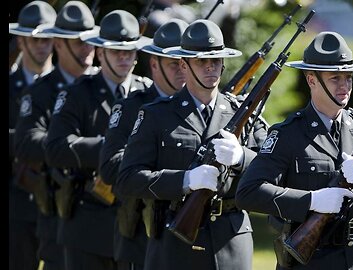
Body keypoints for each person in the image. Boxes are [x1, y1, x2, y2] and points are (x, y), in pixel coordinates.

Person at [235, 31, 353, 270]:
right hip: (310, 261)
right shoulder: (288, 134)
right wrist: (311, 200)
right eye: (335, 78)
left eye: (349, 78)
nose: (344, 86)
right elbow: (249, 192)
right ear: (312, 80)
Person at [115, 19, 268, 270]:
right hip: (175, 244)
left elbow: (272, 173)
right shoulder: (156, 115)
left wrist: (242, 158)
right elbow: (128, 179)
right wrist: (184, 181)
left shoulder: (241, 114)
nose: (210, 68)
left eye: (216, 61)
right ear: (184, 65)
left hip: (230, 242)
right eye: (201, 61)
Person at [44, 9, 152, 270]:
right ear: (101, 53)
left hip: (134, 224)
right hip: (88, 223)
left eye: (130, 51)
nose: (125, 57)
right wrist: (108, 149)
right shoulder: (78, 93)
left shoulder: (147, 92)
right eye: (117, 51)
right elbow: (55, 148)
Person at [13, 2, 99, 269]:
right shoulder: (40, 90)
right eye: (78, 43)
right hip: (38, 200)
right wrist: (72, 147)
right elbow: (26, 143)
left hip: (97, 207)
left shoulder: (101, 85)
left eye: (90, 42)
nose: (86, 49)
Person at [99, 18, 189, 270]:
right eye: (175, 64)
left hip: (187, 235)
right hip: (140, 232)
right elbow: (110, 167)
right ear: (154, 64)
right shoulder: (131, 107)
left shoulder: (198, 109)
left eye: (187, 64)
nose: (183, 71)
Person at [8, 2, 56, 269]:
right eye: (35, 39)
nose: (42, 45)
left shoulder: (70, 87)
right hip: (17, 200)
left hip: (64, 201)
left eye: (48, 39)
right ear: (21, 40)